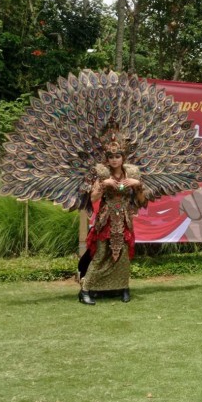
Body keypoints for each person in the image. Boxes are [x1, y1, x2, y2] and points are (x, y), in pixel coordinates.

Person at [78, 126, 147, 305]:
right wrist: (103, 185)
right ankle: (85, 290)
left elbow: (141, 201)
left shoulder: (132, 173)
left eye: (118, 156)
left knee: (123, 256)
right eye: (111, 156)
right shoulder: (101, 173)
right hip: (106, 219)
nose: (114, 160)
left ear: (123, 157)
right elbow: (93, 198)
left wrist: (137, 185)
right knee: (100, 254)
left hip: (124, 219)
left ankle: (123, 288)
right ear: (106, 158)